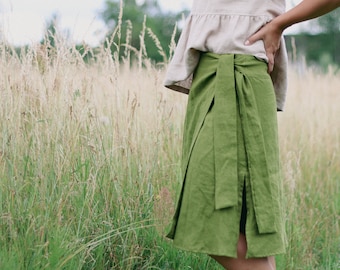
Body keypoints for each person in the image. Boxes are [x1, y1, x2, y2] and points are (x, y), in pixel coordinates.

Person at [164, 0, 340, 269]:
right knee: (245, 227)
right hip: (211, 76)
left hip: (238, 77)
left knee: (204, 219)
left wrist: (279, 24)